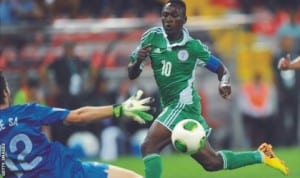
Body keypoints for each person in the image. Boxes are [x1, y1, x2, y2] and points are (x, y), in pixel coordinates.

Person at [127, 1, 289, 178]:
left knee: (149, 146)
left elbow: (221, 69)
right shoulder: (151, 37)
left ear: (184, 19)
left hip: (182, 106)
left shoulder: (193, 47)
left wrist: (224, 82)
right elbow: (132, 74)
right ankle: (261, 155)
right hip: (171, 106)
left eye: (174, 16)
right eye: (165, 15)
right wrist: (136, 62)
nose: (168, 19)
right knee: (212, 163)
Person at [0, 70, 153, 178]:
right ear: (6, 92)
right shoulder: (28, 111)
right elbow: (79, 116)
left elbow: (2, 168)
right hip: (67, 172)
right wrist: (119, 109)